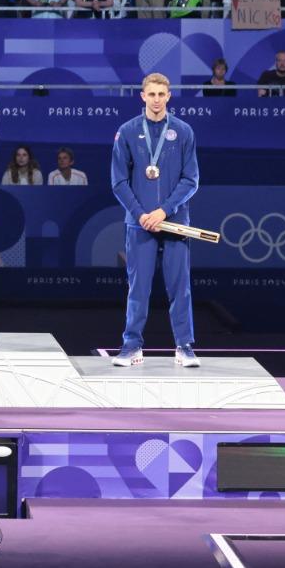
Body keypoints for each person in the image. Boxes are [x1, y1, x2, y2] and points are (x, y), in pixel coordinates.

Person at [109, 72, 201, 368]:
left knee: (179, 286)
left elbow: (191, 179)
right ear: (143, 96)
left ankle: (184, 347)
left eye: (162, 94)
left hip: (174, 223)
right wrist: (141, 214)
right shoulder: (127, 131)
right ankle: (131, 346)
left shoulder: (184, 131)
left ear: (169, 96)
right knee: (138, 288)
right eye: (152, 94)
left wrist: (164, 210)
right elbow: (119, 181)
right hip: (140, 224)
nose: (157, 100)